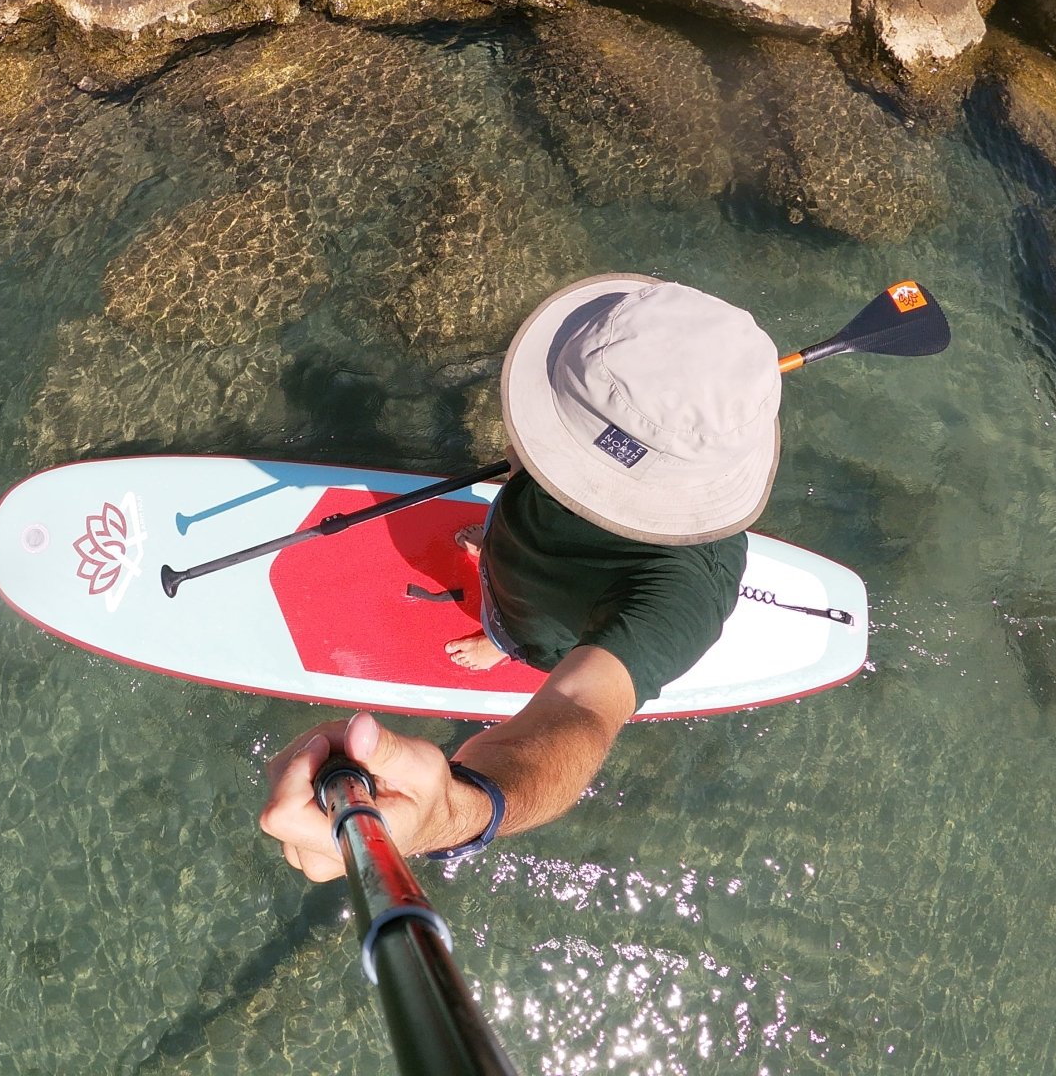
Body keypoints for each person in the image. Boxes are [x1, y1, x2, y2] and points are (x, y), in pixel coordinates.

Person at [260, 274, 782, 880]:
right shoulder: (632, 381)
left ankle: (501, 645)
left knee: (511, 629)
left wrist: (456, 811)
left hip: (540, 625)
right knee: (503, 550)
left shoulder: (682, 593)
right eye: (555, 421)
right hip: (510, 537)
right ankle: (496, 564)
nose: (529, 439)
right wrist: (534, 464)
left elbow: (581, 712)